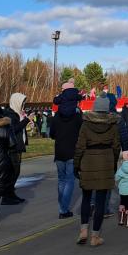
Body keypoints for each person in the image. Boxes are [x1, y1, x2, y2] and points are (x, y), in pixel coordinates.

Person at [74, 94, 121, 247]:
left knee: (86, 198)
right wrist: (113, 163)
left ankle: (83, 231)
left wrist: (77, 164)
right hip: (106, 160)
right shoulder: (113, 124)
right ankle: (95, 236)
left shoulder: (86, 124)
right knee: (101, 201)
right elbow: (116, 146)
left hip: (88, 160)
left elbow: (80, 146)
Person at [50, 86, 84, 219]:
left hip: (59, 151)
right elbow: (82, 133)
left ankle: (62, 206)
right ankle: (63, 208)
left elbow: (52, 134)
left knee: (62, 180)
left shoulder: (57, 116)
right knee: (70, 180)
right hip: (72, 151)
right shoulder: (77, 117)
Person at [3, 92, 30, 204]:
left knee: (16, 171)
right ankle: (7, 196)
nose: (23, 105)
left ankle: (11, 194)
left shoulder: (16, 113)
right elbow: (14, 129)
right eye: (22, 102)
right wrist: (26, 120)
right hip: (12, 147)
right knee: (13, 172)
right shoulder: (10, 114)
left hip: (17, 146)